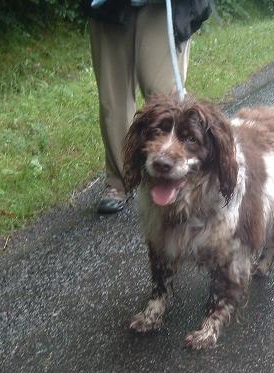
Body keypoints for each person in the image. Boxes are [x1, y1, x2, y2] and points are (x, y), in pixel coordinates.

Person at [81, 0, 212, 213]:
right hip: (108, 7)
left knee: (166, 97)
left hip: (163, 7)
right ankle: (120, 180)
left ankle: (174, 175)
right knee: (113, 101)